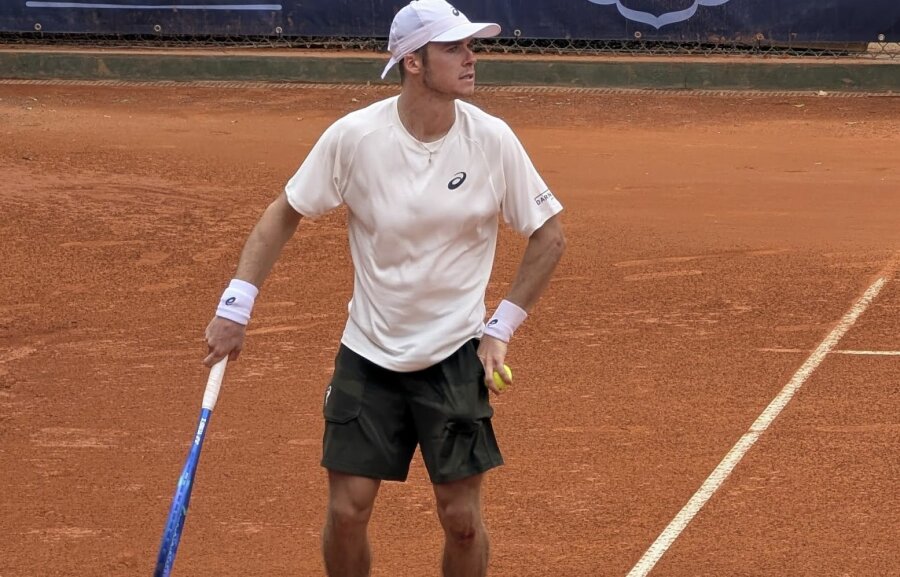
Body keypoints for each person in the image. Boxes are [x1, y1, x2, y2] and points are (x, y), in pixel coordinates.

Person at [203, 1, 566, 575]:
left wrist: (500, 328)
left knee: (462, 519)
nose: (471, 58)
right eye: (454, 47)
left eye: (471, 46)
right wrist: (235, 306)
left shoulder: (491, 139)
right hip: (369, 352)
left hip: (454, 353)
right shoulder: (356, 137)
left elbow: (550, 236)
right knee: (347, 511)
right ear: (413, 62)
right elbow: (284, 212)